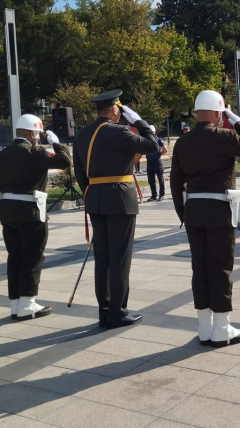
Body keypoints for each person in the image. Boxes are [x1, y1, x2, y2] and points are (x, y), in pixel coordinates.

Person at [170, 90, 240, 347]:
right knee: (220, 267)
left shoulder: (182, 142)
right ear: (216, 113)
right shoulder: (224, 136)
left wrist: (183, 213)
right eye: (221, 114)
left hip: (193, 211)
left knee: (199, 268)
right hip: (219, 210)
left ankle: (204, 328)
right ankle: (222, 328)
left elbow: (176, 181)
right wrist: (237, 121)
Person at [73, 90, 158, 329]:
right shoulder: (120, 131)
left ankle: (105, 311)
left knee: (103, 258)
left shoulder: (82, 134)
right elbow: (152, 145)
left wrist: (93, 193)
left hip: (95, 199)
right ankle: (118, 312)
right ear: (114, 110)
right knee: (120, 257)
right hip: (120, 200)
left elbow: (79, 172)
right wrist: (140, 122)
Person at [0, 114, 71, 321]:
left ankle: (16, 304)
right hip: (31, 213)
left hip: (8, 213)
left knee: (14, 258)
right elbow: (65, 161)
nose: (38, 138)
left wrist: (0, 212)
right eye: (38, 134)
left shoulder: (1, 155)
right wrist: (57, 144)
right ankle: (27, 304)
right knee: (32, 257)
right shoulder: (34, 152)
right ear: (32, 133)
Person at [145, 124, 167, 202]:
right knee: (151, 180)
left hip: (157, 161)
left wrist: (159, 154)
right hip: (149, 162)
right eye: (150, 132)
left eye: (152, 132)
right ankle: (154, 195)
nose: (151, 133)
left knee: (160, 179)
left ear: (154, 132)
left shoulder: (158, 140)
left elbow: (165, 149)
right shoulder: (146, 141)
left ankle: (162, 195)